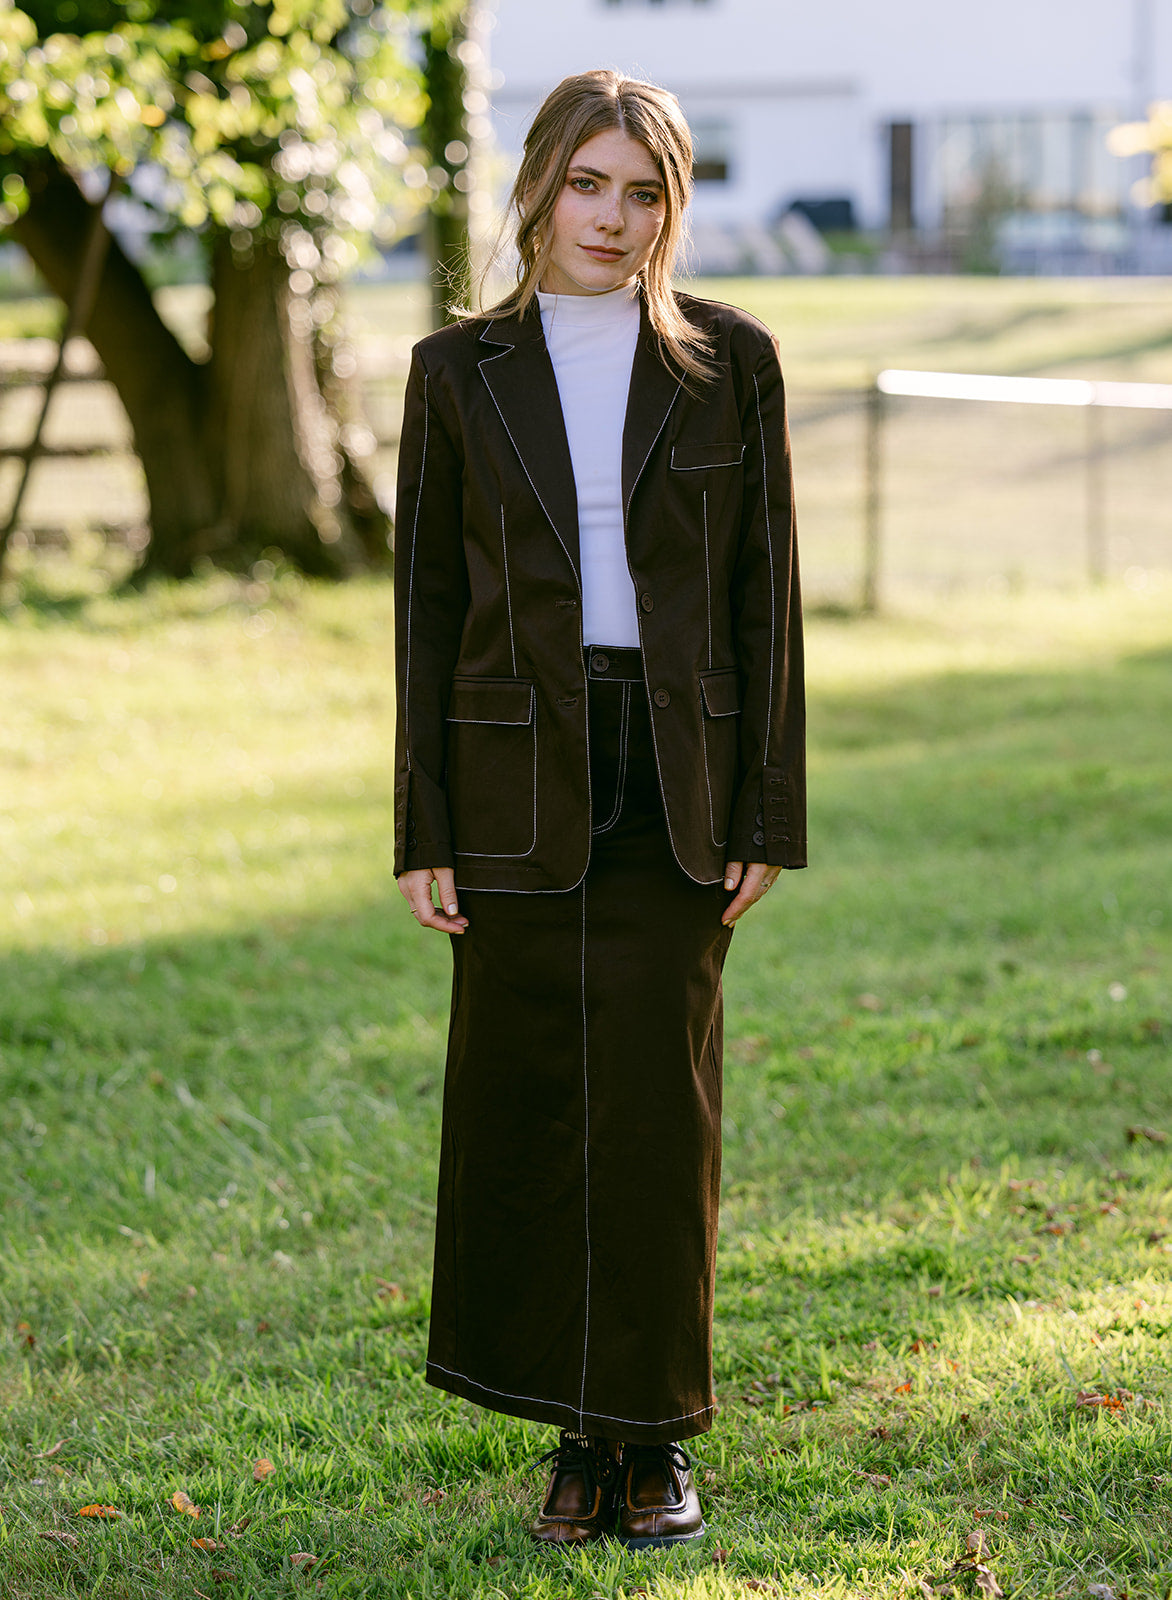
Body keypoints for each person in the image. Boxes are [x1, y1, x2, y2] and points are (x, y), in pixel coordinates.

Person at [393, 68, 805, 1548]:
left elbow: (767, 603)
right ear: (539, 187)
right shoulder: (456, 372)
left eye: (645, 192)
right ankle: (574, 1433)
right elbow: (428, 611)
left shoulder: (728, 366)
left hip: (675, 777)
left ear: (671, 209)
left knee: (657, 1110)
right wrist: (422, 823)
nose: (615, 218)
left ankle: (652, 1440)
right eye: (590, 184)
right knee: (531, 1106)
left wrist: (769, 805)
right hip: (510, 777)